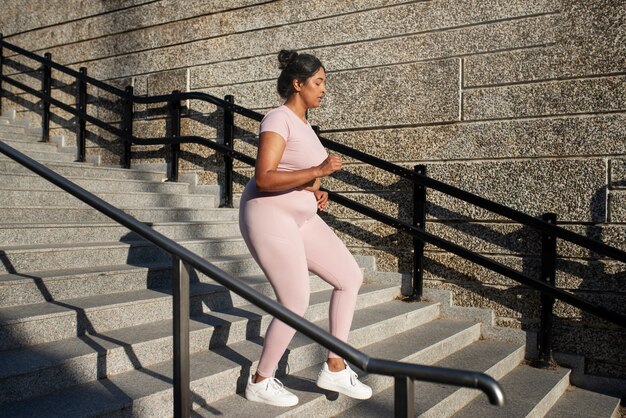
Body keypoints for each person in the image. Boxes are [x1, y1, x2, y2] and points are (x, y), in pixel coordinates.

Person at [239, 49, 373, 407]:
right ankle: (261, 378)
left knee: (350, 277)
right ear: (297, 84)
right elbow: (265, 178)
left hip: (301, 217)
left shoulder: (307, 127)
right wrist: (318, 172)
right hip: (268, 216)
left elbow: (297, 174)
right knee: (295, 300)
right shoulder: (277, 119)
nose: (324, 89)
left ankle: (334, 365)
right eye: (318, 82)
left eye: (324, 82)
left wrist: (316, 189)